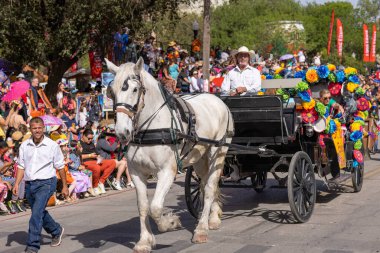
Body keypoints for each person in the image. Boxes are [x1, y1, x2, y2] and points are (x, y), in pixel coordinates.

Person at [13, 117, 67, 253]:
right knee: (39, 211)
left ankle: (32, 246)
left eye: (39, 128)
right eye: (34, 128)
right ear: (30, 129)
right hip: (30, 184)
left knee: (36, 214)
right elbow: (21, 166)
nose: (37, 130)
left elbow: (60, 167)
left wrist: (65, 186)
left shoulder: (52, 145)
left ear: (43, 128)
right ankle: (56, 230)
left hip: (47, 182)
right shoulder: (25, 145)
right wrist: (17, 183)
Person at [80, 128, 116, 195]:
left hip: (95, 161)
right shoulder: (79, 144)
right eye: (89, 138)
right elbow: (78, 156)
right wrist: (90, 155)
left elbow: (97, 153)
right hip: (85, 162)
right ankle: (95, 186)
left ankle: (101, 182)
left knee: (112, 162)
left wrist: (99, 157)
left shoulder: (91, 143)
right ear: (83, 136)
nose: (90, 140)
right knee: (96, 167)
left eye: (91, 139)